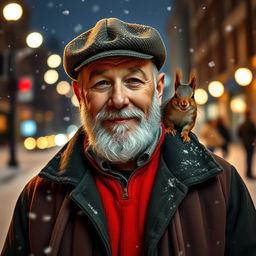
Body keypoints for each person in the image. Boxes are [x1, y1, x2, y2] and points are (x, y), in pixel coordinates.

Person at [1, 18, 256, 256]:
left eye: (133, 81)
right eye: (101, 83)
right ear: (80, 96)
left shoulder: (221, 185)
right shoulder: (38, 197)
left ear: (157, 90)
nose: (119, 100)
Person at [238, 110, 256, 179]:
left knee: (248, 157)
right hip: (251, 143)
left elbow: (239, 133)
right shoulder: (251, 124)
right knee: (250, 158)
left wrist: (243, 139)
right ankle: (249, 173)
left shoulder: (242, 124)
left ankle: (248, 173)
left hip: (245, 143)